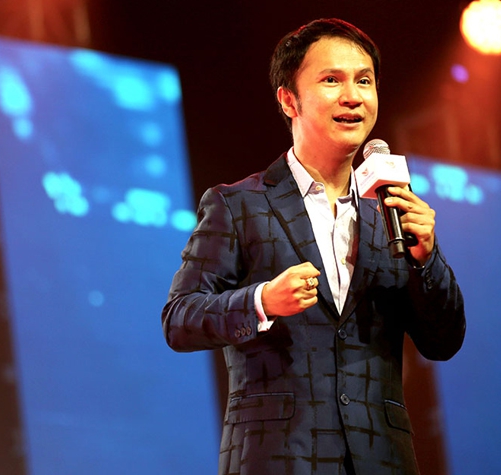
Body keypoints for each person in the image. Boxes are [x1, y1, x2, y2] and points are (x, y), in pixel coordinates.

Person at [162, 18, 466, 475]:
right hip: (277, 459)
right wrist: (262, 301)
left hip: (380, 460)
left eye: (364, 80)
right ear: (289, 100)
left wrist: (428, 261)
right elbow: (179, 319)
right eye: (331, 80)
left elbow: (443, 341)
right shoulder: (238, 204)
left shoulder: (392, 212)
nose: (353, 96)